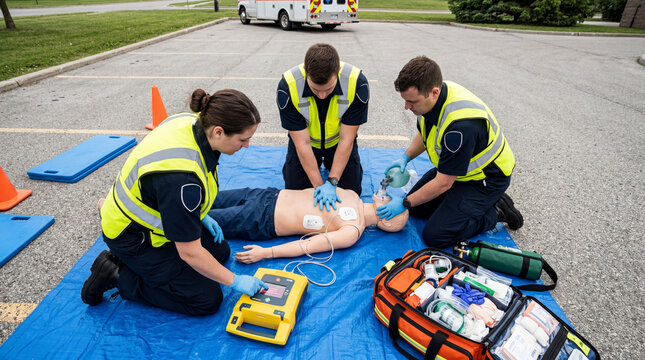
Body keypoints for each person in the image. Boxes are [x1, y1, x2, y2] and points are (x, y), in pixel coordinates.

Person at [81, 89, 268, 316]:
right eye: (243, 139)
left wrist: (199, 215)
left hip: (149, 218)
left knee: (219, 251)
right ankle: (116, 273)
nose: (247, 145)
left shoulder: (192, 122)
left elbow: (166, 192)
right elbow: (189, 253)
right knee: (206, 299)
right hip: (132, 237)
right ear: (218, 131)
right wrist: (235, 281)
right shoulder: (182, 180)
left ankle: (153, 268)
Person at [376, 56, 523, 249]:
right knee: (417, 209)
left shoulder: (461, 127)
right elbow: (426, 131)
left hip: (485, 180)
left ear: (434, 92)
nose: (406, 107)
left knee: (436, 235)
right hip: (456, 172)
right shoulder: (435, 96)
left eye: (412, 101)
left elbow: (443, 183)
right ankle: (459, 205)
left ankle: (496, 210)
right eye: (405, 100)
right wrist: (406, 157)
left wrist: (404, 203)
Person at [200, 187, 408, 264]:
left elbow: (306, 246)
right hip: (265, 194)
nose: (389, 195)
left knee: (190, 220)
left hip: (261, 218)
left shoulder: (351, 231)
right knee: (201, 197)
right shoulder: (353, 194)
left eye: (393, 203)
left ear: (387, 220)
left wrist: (266, 253)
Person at [277, 43, 370, 211]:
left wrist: (332, 182)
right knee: (297, 196)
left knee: (351, 193)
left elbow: (346, 139)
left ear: (338, 70)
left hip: (338, 143)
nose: (321, 95)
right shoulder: (288, 85)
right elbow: (302, 143)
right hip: (307, 144)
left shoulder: (357, 83)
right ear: (306, 71)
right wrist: (320, 187)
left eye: (328, 89)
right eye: (315, 89)